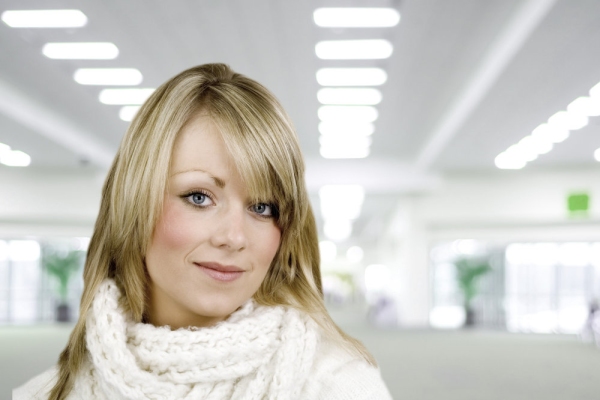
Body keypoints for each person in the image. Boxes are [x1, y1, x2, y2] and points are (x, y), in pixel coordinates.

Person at [14, 64, 392, 399]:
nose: (234, 236)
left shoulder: (340, 386)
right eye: (198, 197)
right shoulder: (43, 394)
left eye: (263, 208)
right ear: (133, 201)